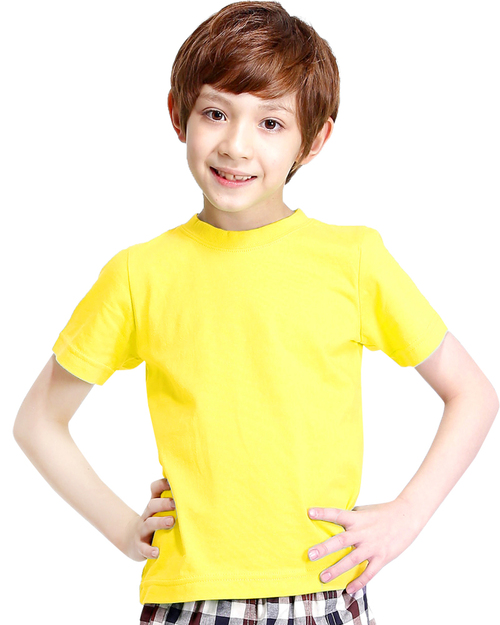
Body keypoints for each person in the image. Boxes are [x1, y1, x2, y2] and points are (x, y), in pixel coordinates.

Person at [13, 2, 498, 624]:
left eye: (271, 123)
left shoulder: (353, 259)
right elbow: (38, 421)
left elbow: (472, 394)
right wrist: (122, 528)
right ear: (177, 114)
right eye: (215, 113)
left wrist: (407, 516)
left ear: (314, 140)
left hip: (324, 588)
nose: (236, 146)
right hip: (190, 598)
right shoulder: (140, 274)